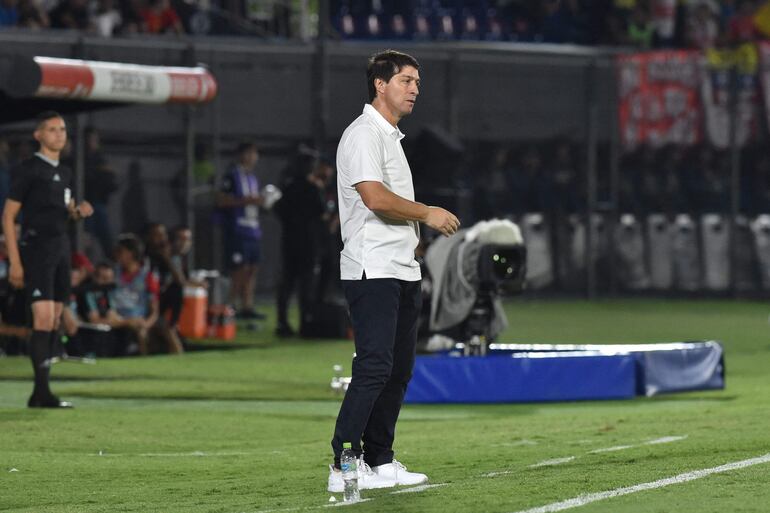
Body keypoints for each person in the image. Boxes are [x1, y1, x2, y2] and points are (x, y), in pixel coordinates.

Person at [327, 50, 460, 493]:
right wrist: (427, 213)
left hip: (401, 267)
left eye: (417, 82)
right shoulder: (363, 134)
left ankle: (380, 460)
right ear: (380, 85)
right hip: (372, 269)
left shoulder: (391, 137)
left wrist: (411, 239)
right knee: (374, 367)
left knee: (399, 369)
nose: (415, 89)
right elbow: (374, 197)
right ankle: (343, 462)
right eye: (406, 81)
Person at [2, 111, 94, 408]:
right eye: (52, 130)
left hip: (60, 249)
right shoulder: (29, 169)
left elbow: (65, 211)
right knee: (42, 317)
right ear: (38, 135)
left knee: (54, 318)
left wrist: (78, 213)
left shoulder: (65, 172)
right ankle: (40, 393)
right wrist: (15, 261)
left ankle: (44, 389)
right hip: (37, 249)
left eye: (63, 129)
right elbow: (9, 215)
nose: (59, 134)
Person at [273, 154, 332, 337]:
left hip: (289, 240)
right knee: (306, 283)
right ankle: (305, 323)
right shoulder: (313, 189)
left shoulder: (289, 187)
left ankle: (282, 322)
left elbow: (277, 209)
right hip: (308, 242)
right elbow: (323, 213)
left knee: (287, 282)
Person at [217, 142, 265, 320]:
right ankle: (230, 305)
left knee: (252, 268)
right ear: (242, 154)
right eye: (251, 153)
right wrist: (246, 201)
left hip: (252, 229)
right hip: (237, 229)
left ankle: (247, 306)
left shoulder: (252, 177)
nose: (254, 157)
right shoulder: (231, 175)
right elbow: (222, 200)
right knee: (239, 269)